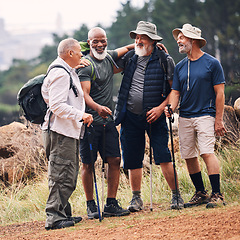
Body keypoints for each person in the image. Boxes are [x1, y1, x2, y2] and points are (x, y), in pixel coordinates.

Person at [114, 21, 184, 212]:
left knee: (163, 156)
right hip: (129, 117)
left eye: (142, 37)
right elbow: (109, 64)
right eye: (136, 37)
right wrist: (129, 46)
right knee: (131, 158)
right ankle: (136, 199)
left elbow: (174, 89)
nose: (138, 40)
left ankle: (176, 195)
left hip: (156, 117)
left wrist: (161, 108)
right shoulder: (130, 57)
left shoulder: (164, 59)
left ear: (152, 40)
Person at [165, 23, 226, 208]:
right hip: (185, 116)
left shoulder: (212, 63)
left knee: (207, 152)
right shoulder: (181, 66)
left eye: (182, 38)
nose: (178, 41)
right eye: (178, 38)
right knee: (189, 155)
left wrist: (218, 119)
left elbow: (220, 94)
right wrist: (171, 107)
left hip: (206, 115)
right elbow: (175, 93)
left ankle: (217, 194)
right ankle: (201, 193)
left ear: (193, 40)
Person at [77, 27, 134, 219]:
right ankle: (91, 205)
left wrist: (146, 44)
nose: (100, 44)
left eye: (103, 41)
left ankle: (111, 203)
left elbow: (127, 48)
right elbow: (84, 95)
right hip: (90, 121)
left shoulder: (109, 57)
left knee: (115, 160)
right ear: (89, 42)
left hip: (108, 122)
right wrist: (98, 107)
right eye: (95, 41)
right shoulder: (86, 65)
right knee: (88, 163)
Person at [41, 38, 93, 230]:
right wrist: (81, 115)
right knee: (62, 173)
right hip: (60, 132)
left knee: (66, 172)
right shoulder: (61, 74)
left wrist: (74, 68)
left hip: (63, 131)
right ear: (70, 53)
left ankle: (64, 213)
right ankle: (54, 217)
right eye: (79, 51)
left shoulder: (63, 70)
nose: (82, 54)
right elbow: (56, 105)